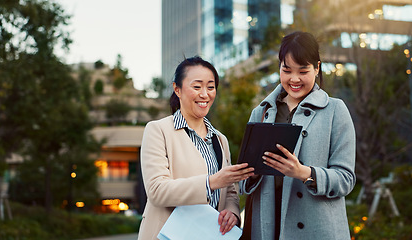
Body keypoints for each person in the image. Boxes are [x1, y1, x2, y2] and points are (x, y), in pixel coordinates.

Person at [239, 31, 356, 239]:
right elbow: (241, 180)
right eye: (287, 70)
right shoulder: (261, 112)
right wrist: (252, 173)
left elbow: (346, 179)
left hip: (316, 230)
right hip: (267, 227)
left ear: (317, 68)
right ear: (279, 68)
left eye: (303, 71)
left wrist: (304, 172)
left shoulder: (335, 110)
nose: (294, 79)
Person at [138, 56, 254, 240]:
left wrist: (232, 213)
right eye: (197, 86)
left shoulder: (220, 139)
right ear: (177, 89)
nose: (205, 94)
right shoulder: (158, 130)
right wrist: (211, 182)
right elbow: (157, 191)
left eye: (210, 87)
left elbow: (230, 190)